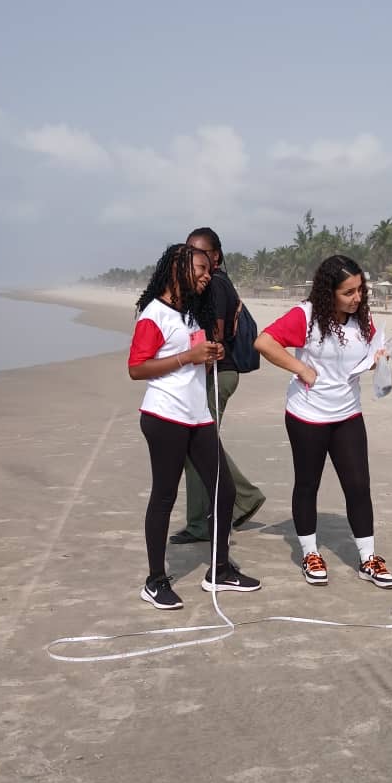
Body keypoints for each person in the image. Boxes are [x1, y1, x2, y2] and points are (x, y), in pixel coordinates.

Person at [128, 243, 261, 608]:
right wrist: (188, 356)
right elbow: (136, 368)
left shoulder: (192, 313)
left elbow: (192, 362)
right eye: (201, 269)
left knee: (225, 491)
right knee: (164, 496)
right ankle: (155, 581)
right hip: (164, 416)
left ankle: (219, 569)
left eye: (208, 270)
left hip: (197, 415)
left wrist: (210, 356)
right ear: (178, 269)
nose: (207, 276)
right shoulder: (154, 314)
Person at [254, 254, 392, 588]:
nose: (357, 298)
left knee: (358, 486)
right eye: (348, 292)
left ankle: (368, 559)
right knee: (308, 484)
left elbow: (364, 355)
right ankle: (310, 553)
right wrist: (301, 369)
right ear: (328, 292)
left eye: (360, 290)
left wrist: (378, 359)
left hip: (347, 413)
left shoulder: (363, 318)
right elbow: (264, 342)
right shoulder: (306, 316)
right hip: (308, 415)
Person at [169, 227, 265, 545]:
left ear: (216, 256)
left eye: (200, 253)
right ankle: (244, 498)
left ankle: (202, 523)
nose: (193, 258)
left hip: (218, 374)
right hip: (212, 373)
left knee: (197, 446)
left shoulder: (216, 285)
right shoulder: (207, 285)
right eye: (188, 252)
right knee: (200, 445)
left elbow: (216, 335)